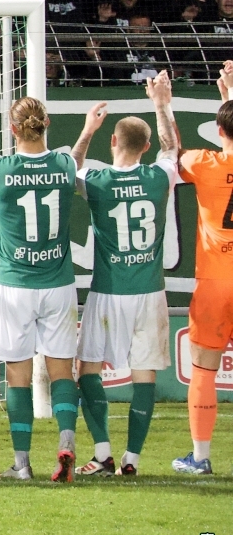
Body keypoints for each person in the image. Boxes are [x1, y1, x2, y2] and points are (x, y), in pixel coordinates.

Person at [70, 79, 176, 477]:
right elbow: (171, 148)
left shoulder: (97, 182)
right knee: (144, 374)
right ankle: (131, 460)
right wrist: (161, 105)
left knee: (88, 371)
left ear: (113, 140)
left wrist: (87, 130)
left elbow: (71, 168)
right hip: (150, 291)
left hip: (109, 291)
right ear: (144, 147)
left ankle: (102, 454)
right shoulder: (158, 178)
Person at [0, 96, 82, 482]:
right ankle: (67, 441)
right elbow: (73, 160)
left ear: (12, 129)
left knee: (17, 376)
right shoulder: (63, 164)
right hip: (57, 283)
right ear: (48, 123)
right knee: (61, 371)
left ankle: (22, 464)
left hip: (15, 285)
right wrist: (87, 130)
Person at [172, 59, 233, 476]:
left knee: (203, 369)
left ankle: (200, 456)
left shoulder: (206, 163)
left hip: (215, 281)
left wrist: (162, 105)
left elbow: (171, 153)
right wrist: (229, 96)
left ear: (220, 129)